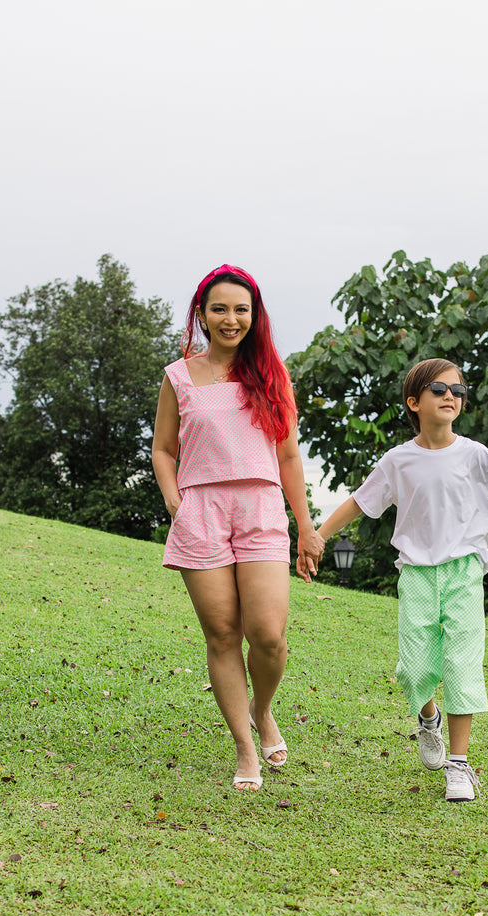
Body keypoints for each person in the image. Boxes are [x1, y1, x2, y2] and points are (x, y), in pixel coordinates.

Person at [314, 357, 488, 802]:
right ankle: (429, 719)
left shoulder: (476, 456)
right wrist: (316, 536)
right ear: (414, 402)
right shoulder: (398, 461)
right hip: (416, 575)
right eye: (440, 390)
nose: (452, 396)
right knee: (414, 670)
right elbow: (358, 503)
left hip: (465, 572)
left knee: (462, 665)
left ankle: (460, 767)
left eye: (459, 391)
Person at [151, 265, 324, 793]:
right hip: (201, 509)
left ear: (255, 315)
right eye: (220, 309)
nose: (231, 319)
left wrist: (307, 527)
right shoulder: (177, 376)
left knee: (268, 635)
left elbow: (289, 456)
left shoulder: (272, 374)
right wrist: (178, 504)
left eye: (241, 309)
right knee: (223, 634)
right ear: (202, 314)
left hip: (260, 507)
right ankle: (245, 748)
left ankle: (262, 708)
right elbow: (163, 449)